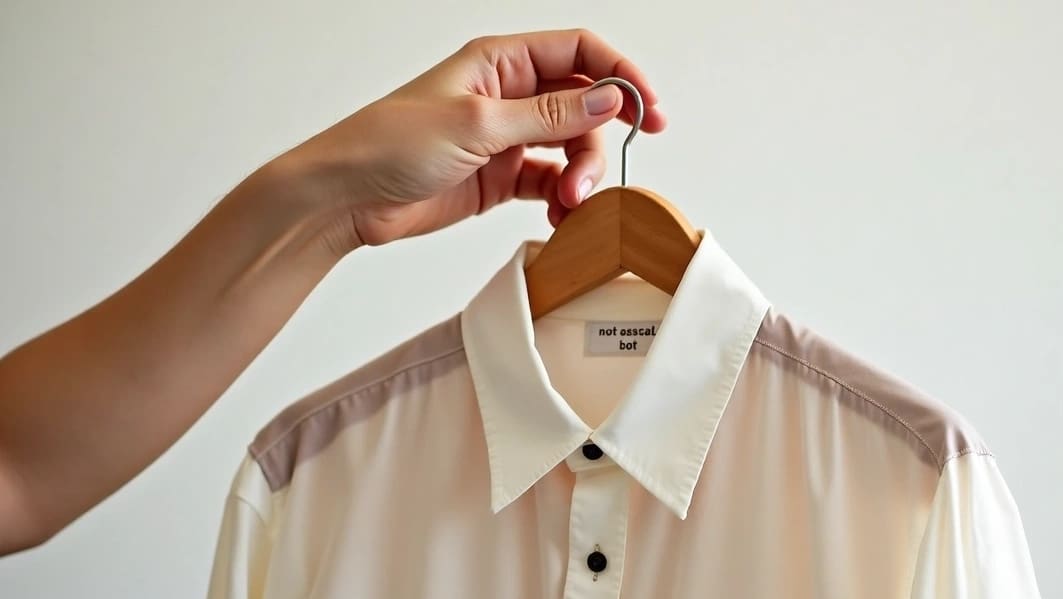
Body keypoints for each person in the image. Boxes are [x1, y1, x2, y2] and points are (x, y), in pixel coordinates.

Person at [0, 28, 665, 556]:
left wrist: (339, 204)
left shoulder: (316, 467)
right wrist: (337, 203)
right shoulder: (309, 475)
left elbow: (19, 469)